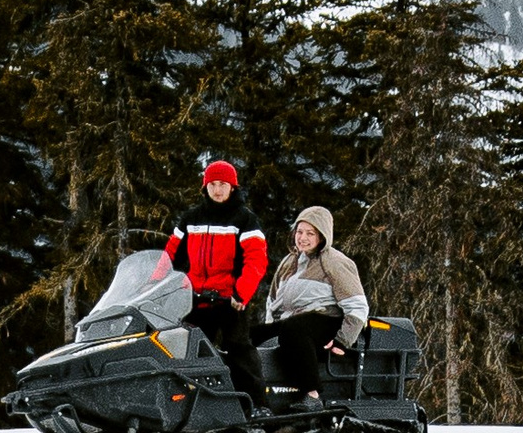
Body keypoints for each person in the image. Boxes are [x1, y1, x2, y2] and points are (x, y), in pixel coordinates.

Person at [158, 160, 271, 401]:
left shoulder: (244, 219)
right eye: (212, 184)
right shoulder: (191, 218)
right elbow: (170, 255)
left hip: (230, 299)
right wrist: (154, 285)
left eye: (223, 184)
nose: (217, 190)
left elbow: (256, 260)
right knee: (186, 347)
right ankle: (189, 402)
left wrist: (242, 293)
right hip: (196, 298)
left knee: (238, 348)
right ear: (205, 187)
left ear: (233, 187)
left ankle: (257, 404)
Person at [262, 206, 370, 393]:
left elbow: (357, 305)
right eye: (300, 232)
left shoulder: (335, 262)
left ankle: (311, 394)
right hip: (293, 323)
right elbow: (272, 301)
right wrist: (268, 332)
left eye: (310, 233)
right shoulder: (289, 261)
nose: (302, 238)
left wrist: (342, 341)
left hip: (327, 321)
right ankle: (249, 399)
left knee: (293, 328)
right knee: (247, 336)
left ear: (322, 236)